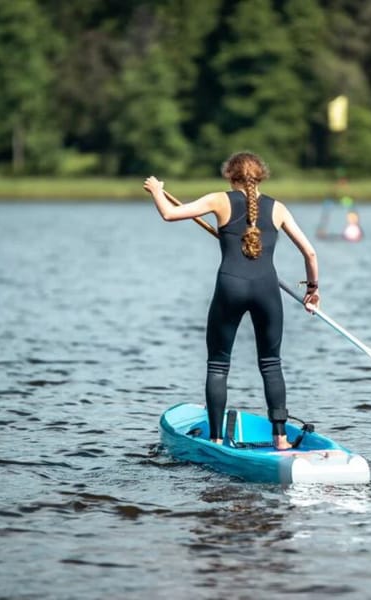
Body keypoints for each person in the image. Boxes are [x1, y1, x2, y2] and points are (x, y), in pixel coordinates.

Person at [143, 151, 320, 450]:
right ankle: (280, 438)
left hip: (230, 287)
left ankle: (214, 439)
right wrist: (312, 289)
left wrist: (158, 191)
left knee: (217, 365)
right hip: (267, 290)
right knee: (271, 363)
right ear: (261, 176)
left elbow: (170, 214)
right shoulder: (278, 208)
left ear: (230, 176)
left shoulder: (218, 200)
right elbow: (311, 253)